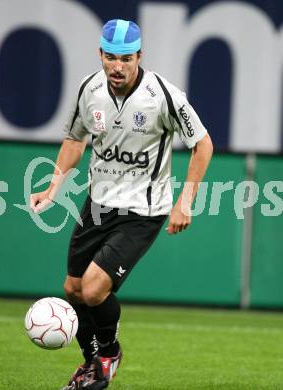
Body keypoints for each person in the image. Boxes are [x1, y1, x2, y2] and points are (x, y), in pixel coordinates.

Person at [30, 19, 213, 390]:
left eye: (126, 58)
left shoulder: (163, 95)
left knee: (95, 289)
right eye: (110, 57)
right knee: (73, 289)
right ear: (100, 54)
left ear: (139, 56)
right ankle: (89, 366)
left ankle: (110, 353)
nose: (117, 66)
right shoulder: (89, 89)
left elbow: (203, 144)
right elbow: (74, 141)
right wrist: (52, 188)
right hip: (98, 204)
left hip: (143, 211)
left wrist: (186, 201)